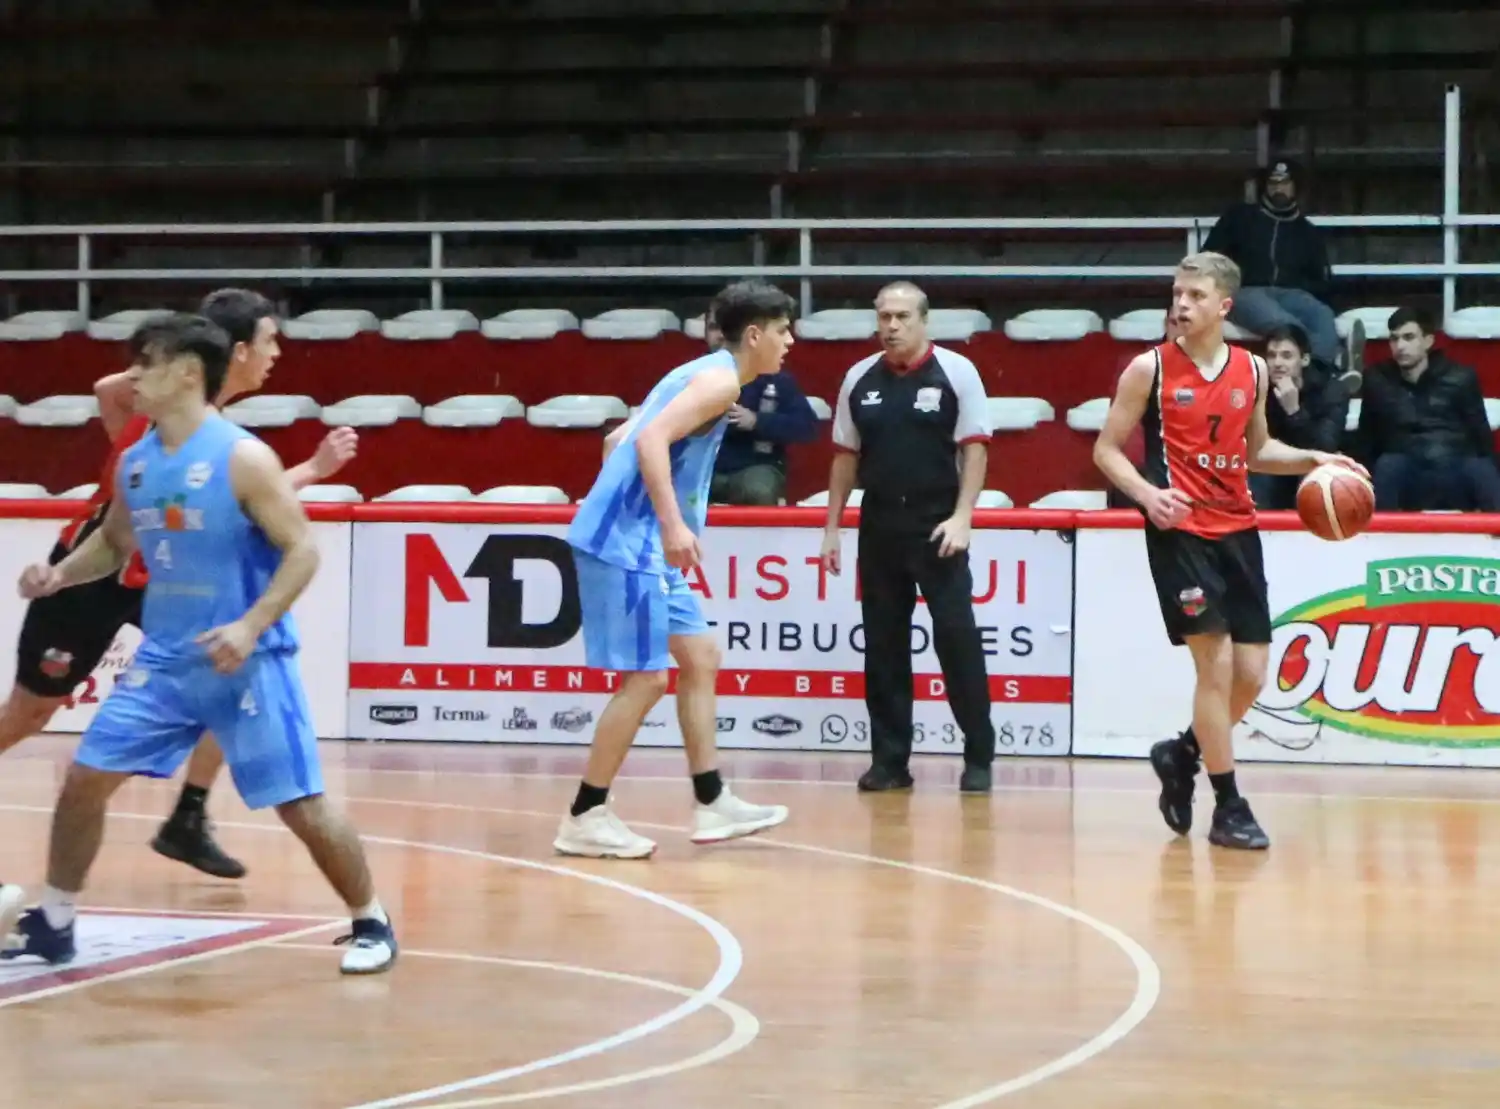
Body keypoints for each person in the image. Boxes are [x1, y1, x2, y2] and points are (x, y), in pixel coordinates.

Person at [3, 313, 395, 975]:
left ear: (186, 372)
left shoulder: (242, 456)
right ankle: (56, 921)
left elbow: (302, 549)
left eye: (144, 364)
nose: (131, 378)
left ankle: (370, 918)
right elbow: (115, 543)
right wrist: (59, 574)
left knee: (300, 802)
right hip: (164, 661)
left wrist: (250, 625)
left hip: (247, 659)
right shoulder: (136, 461)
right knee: (82, 781)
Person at [1092, 251, 1364, 850]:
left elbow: (1256, 451)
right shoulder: (1149, 369)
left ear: (1224, 306)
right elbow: (1107, 450)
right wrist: (1146, 495)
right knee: (1212, 668)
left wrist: (1312, 459)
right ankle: (1229, 804)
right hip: (1180, 531)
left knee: (1252, 675)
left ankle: (1181, 752)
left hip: (1238, 527)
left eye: (1193, 296)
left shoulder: (1253, 370)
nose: (1180, 305)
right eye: (1176, 294)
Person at [556, 280, 796, 859]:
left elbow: (619, 437)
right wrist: (665, 522)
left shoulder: (701, 370)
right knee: (647, 677)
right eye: (784, 331)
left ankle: (712, 801)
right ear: (756, 334)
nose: (791, 342)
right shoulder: (716, 383)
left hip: (639, 540)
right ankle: (586, 814)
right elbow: (650, 440)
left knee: (700, 656)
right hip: (630, 543)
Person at [819, 281, 997, 794]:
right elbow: (844, 457)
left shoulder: (957, 372)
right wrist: (832, 528)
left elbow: (976, 450)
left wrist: (964, 516)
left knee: (957, 641)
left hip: (937, 525)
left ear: (924, 321)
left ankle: (978, 755)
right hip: (878, 527)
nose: (890, 326)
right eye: (883, 317)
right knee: (884, 647)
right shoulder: (858, 377)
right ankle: (890, 761)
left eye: (900, 317)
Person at [1356, 306, 1500, 511]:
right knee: (1388, 464)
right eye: (1394, 339)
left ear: (1428, 341)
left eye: (1409, 337)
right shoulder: (1377, 380)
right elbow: (1365, 440)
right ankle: (1376, 536)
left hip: (1454, 469)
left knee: (1480, 467)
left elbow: (1482, 438)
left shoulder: (1460, 378)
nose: (1400, 346)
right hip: (1405, 472)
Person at [1249, 324, 1351, 509]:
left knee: (1316, 472)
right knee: (1256, 472)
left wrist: (1294, 411)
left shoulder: (1331, 390)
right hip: (1275, 465)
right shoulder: (1258, 387)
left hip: (1312, 463)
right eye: (1272, 356)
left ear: (1304, 359)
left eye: (1287, 356)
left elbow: (1325, 448)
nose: (1277, 363)